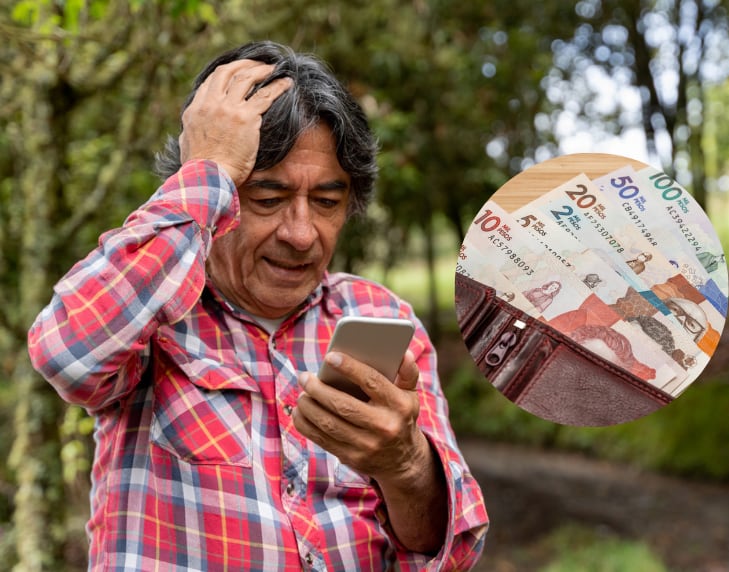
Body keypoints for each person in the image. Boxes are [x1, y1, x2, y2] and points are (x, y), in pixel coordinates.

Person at [27, 41, 488, 571]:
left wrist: (403, 464)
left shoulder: (381, 316)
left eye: (327, 201)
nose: (301, 234)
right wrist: (210, 167)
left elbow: (450, 550)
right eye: (267, 199)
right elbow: (66, 354)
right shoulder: (154, 308)